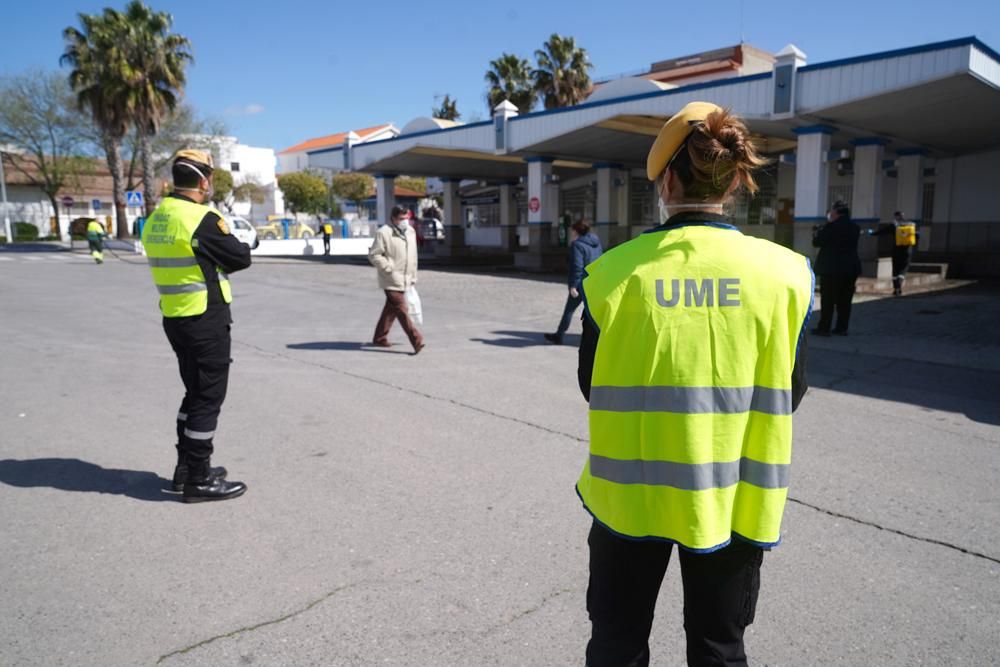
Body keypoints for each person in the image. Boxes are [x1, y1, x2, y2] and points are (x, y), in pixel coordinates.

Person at [575, 102, 813, 667]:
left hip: (628, 499)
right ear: (734, 180)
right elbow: (793, 388)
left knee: (618, 644)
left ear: (668, 181)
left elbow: (592, 382)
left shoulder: (612, 273)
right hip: (733, 497)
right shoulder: (786, 275)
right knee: (718, 648)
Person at [141, 149, 251, 503]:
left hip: (175, 317)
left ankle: (186, 469)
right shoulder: (201, 218)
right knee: (207, 397)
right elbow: (239, 258)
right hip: (205, 318)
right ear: (205, 180)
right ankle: (199, 481)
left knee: (193, 392)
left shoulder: (158, 217)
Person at [368, 204, 424, 354]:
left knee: (391, 309)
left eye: (407, 218)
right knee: (401, 309)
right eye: (401, 219)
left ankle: (380, 337)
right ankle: (416, 339)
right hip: (390, 278)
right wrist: (388, 268)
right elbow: (374, 254)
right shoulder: (383, 233)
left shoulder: (410, 232)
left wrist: (413, 276)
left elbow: (413, 256)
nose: (405, 221)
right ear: (393, 218)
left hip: (406, 278)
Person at [545, 219, 602, 345]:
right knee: (593, 312)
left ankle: (559, 335)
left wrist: (573, 286)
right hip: (595, 281)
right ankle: (599, 337)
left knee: (569, 310)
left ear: (576, 231)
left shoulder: (577, 245)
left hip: (581, 283)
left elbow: (577, 266)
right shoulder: (596, 242)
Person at [811, 200, 861, 335]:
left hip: (831, 269)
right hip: (850, 268)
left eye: (832, 211)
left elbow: (817, 242)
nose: (830, 213)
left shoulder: (831, 227)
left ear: (836, 212)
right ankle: (842, 328)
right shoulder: (855, 227)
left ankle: (824, 328)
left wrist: (817, 232)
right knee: (845, 300)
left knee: (828, 299)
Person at [870, 211, 918, 295]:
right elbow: (917, 237)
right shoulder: (911, 225)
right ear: (903, 216)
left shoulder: (894, 225)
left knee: (895, 270)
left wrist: (872, 233)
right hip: (907, 251)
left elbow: (882, 231)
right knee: (903, 270)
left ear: (896, 217)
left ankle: (896, 289)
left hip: (896, 251)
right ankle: (899, 287)